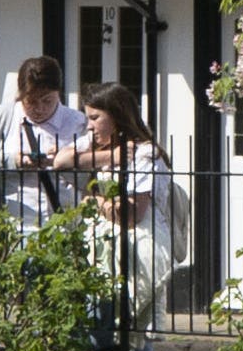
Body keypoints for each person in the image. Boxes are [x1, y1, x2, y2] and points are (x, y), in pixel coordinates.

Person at [73, 86, 187, 297]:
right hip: (106, 252)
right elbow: (60, 161)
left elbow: (131, 215)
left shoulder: (144, 154)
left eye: (95, 118)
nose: (89, 126)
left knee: (142, 313)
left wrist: (93, 200)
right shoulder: (98, 145)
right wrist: (110, 157)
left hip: (141, 249)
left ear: (117, 116)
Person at [0, 55, 84, 224]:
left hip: (66, 225)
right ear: (21, 95)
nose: (40, 108)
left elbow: (95, 173)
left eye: (47, 101)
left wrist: (67, 160)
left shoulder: (78, 123)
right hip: (11, 228)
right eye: (31, 101)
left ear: (58, 93)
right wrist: (13, 161)